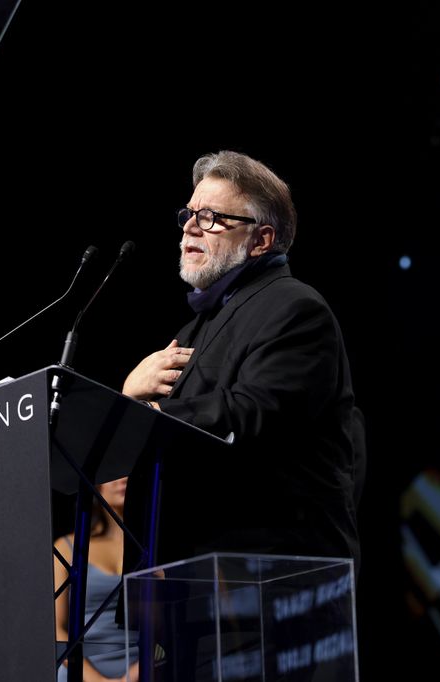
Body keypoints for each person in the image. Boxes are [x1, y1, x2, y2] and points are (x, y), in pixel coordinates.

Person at [121, 150, 361, 571]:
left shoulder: (296, 308)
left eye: (211, 217)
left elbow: (254, 411)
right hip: (190, 574)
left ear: (261, 240)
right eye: (189, 213)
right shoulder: (195, 327)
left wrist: (147, 414)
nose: (190, 227)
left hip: (273, 576)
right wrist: (127, 398)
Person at [55, 478, 138, 682]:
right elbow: (56, 628)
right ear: (97, 485)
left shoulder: (151, 548)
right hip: (82, 672)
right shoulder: (67, 548)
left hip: (143, 668)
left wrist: (135, 675)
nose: (123, 480)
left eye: (129, 472)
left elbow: (165, 624)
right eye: (114, 474)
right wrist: (99, 681)